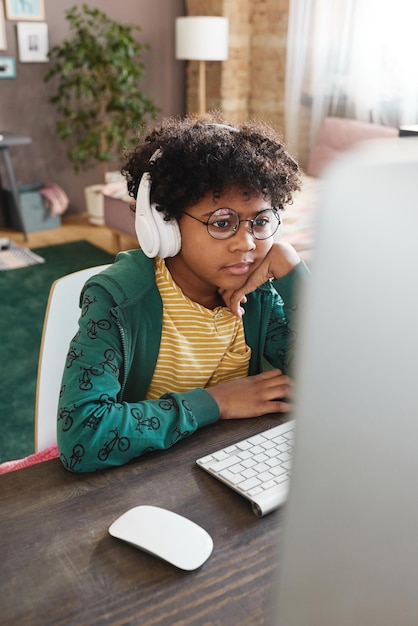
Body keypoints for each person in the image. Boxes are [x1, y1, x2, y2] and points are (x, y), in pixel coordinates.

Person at [57, 115, 309, 472]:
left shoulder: (260, 293)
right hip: (139, 481)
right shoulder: (118, 300)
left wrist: (291, 268)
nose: (247, 243)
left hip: (230, 467)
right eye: (222, 223)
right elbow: (82, 437)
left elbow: (331, 381)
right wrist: (215, 402)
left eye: (261, 221)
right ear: (165, 225)